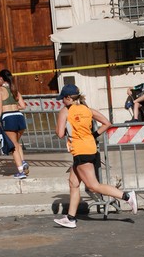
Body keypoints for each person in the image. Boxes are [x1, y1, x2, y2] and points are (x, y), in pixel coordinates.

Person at [54, 84, 137, 229]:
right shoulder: (88, 109)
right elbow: (107, 123)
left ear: (68, 98)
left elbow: (60, 134)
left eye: (63, 99)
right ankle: (71, 218)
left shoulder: (65, 112)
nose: (62, 102)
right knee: (73, 183)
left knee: (93, 186)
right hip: (90, 148)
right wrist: (94, 135)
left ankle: (127, 196)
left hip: (80, 150)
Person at [0, 69, 28, 179]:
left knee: (13, 147)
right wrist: (14, 107)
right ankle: (23, 162)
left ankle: (20, 171)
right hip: (19, 117)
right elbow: (23, 106)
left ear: (0, 78)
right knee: (17, 143)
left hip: (8, 118)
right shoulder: (15, 90)